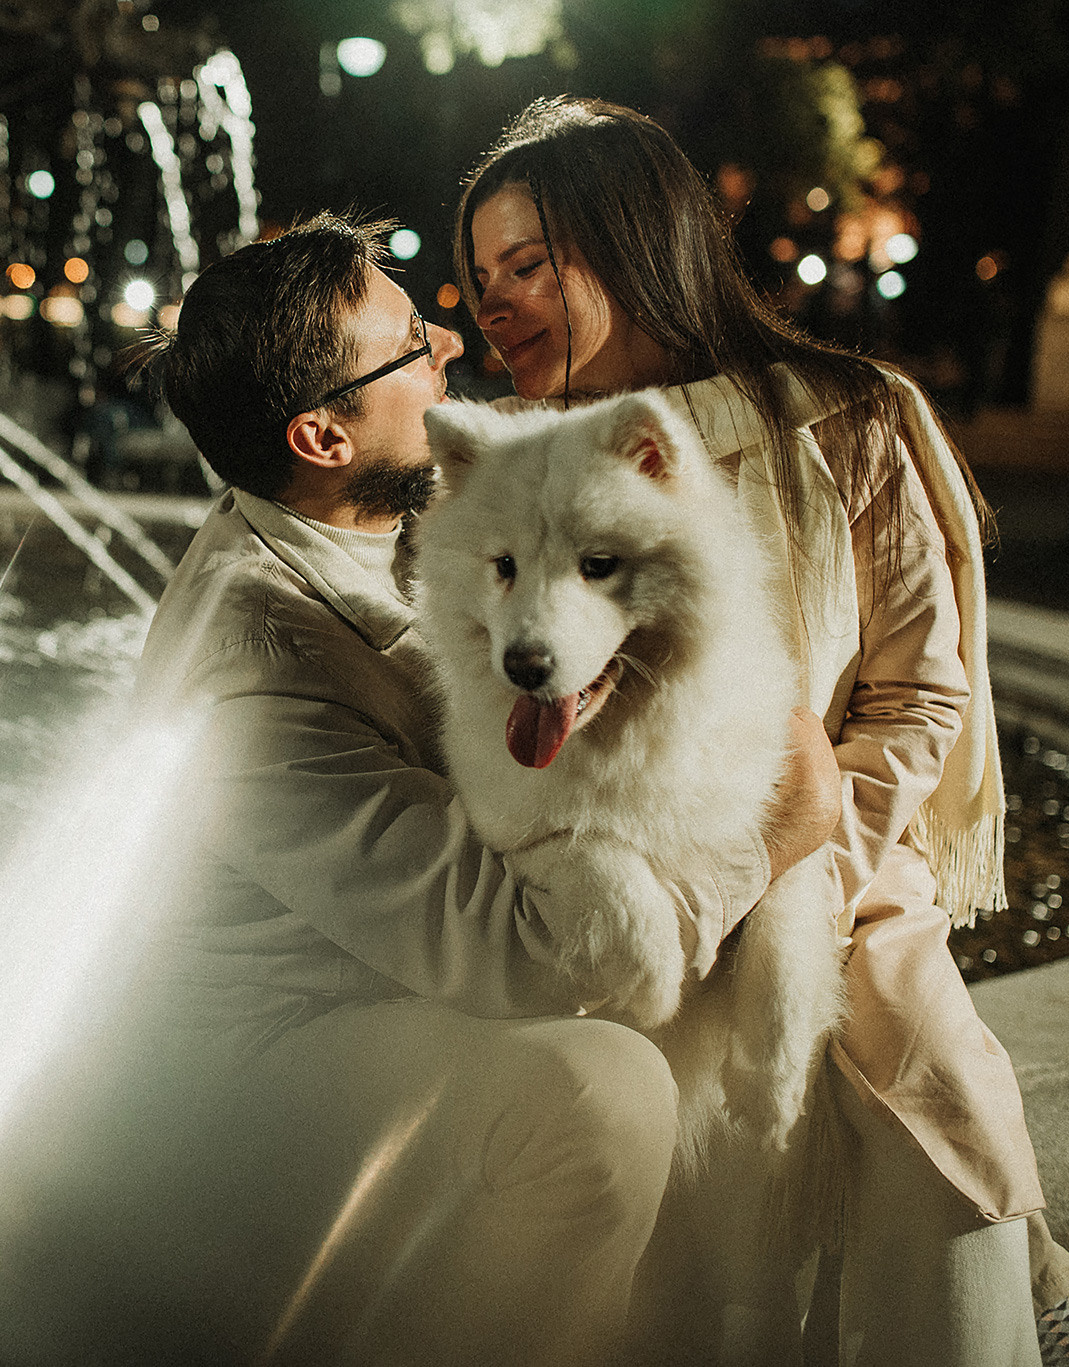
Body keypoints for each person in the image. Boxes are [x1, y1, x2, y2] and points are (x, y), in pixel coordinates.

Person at [454, 95, 1069, 1367]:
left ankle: (1022, 1318)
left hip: (844, 867)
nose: (490, 303)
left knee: (907, 1054)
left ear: (635, 243)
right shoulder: (511, 469)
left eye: (528, 264)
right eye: (477, 277)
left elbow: (914, 693)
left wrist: (798, 872)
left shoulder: (848, 419)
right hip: (627, 890)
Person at [122, 212, 842, 1366]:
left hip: (390, 969)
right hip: (268, 1062)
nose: (451, 344)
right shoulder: (255, 679)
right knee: (594, 1091)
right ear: (318, 433)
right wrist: (770, 831)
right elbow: (527, 951)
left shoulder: (388, 515)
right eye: (410, 346)